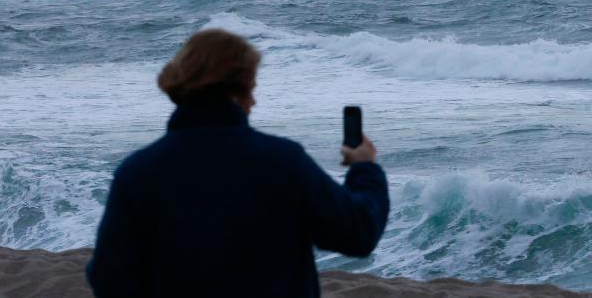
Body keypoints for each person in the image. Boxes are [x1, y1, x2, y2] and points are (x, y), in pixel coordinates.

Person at [86, 29, 389, 297]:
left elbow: (110, 279)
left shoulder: (137, 172)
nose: (253, 101)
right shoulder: (282, 161)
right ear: (236, 91)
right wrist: (364, 168)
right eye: (251, 88)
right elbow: (356, 233)